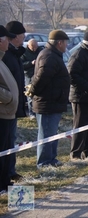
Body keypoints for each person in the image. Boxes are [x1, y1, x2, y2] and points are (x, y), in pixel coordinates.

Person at [25, 30, 71, 167]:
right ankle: (44, 163)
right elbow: (41, 78)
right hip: (47, 102)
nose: (67, 46)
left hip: (53, 101)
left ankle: (51, 159)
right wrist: (33, 91)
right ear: (60, 43)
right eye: (66, 43)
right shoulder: (49, 56)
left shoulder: (53, 55)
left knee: (52, 133)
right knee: (46, 134)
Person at [4, 21, 27, 181]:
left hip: (14, 105)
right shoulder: (6, 56)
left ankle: (10, 171)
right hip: (6, 107)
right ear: (14, 37)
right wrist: (10, 97)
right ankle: (5, 174)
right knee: (6, 142)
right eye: (22, 35)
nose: (24, 38)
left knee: (11, 140)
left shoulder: (15, 54)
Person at [0, 25, 18, 193]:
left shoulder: (2, 59)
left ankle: (5, 182)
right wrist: (9, 97)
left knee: (5, 151)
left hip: (8, 113)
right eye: (7, 39)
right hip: (2, 113)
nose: (10, 42)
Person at [21, 39, 43, 119]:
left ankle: (38, 112)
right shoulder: (24, 52)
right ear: (28, 46)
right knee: (30, 94)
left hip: (39, 75)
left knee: (39, 94)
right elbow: (21, 64)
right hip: (29, 75)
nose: (34, 48)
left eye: (36, 46)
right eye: (32, 47)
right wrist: (31, 63)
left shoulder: (40, 50)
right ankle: (31, 113)